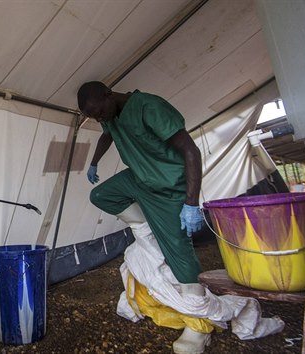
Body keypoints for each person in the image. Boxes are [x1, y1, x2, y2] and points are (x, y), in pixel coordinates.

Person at [77, 81, 209, 353]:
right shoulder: (110, 115)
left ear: (108, 94)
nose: (100, 118)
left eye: (99, 112)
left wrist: (192, 203)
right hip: (139, 179)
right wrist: (93, 162)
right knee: (101, 195)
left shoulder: (149, 106)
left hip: (168, 187)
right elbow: (107, 135)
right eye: (95, 117)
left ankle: (198, 326)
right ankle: (145, 226)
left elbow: (191, 151)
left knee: (179, 251)